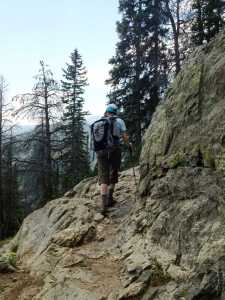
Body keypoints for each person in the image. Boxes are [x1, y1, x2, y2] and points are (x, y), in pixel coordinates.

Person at [91, 104, 131, 215]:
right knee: (113, 172)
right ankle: (110, 199)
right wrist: (129, 144)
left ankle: (103, 206)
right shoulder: (119, 121)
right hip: (114, 150)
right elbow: (124, 136)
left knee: (103, 177)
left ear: (106, 112)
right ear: (115, 112)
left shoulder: (100, 121)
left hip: (101, 151)